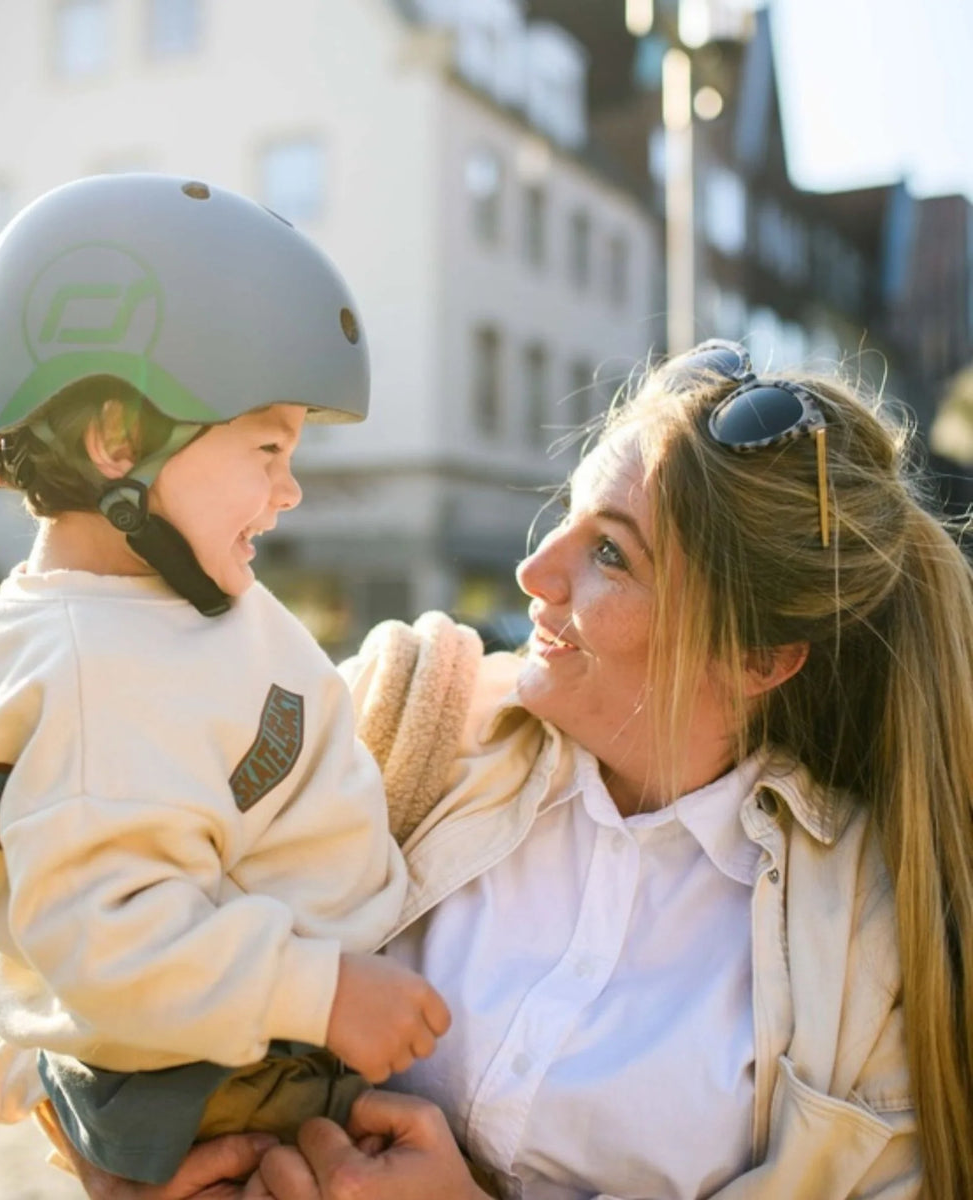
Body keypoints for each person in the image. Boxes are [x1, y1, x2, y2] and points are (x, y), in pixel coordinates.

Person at [65, 338, 973, 1200]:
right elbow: (87, 898)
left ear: (759, 659)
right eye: (567, 518)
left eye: (611, 552)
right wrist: (117, 1156)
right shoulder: (399, 718)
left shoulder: (864, 930)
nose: (534, 570)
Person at [0, 173, 453, 1188]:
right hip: (239, 1080)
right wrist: (324, 991)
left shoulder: (153, 611)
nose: (288, 489)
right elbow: (110, 939)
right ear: (119, 440)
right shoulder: (96, 673)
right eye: (265, 448)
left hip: (249, 1042)